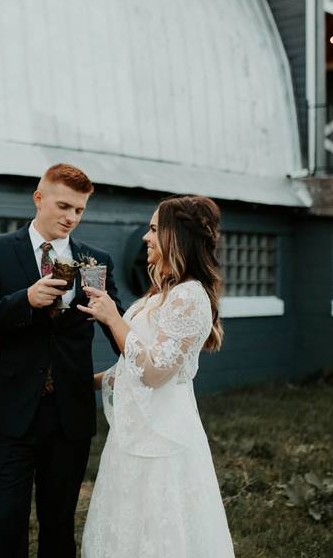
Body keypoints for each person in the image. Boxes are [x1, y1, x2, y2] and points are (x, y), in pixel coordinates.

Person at [0, 163, 124, 558]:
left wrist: (113, 314)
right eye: (64, 206)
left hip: (69, 416)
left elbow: (120, 330)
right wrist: (25, 300)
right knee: (6, 524)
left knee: (59, 525)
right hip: (11, 413)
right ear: (39, 198)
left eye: (79, 211)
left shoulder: (94, 260)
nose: (71, 218)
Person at [78, 195, 235, 558]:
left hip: (163, 438)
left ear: (175, 237)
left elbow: (153, 372)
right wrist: (86, 381)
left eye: (153, 229)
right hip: (135, 433)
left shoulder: (189, 297)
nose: (146, 238)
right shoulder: (160, 294)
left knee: (159, 527)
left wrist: (113, 318)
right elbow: (130, 369)